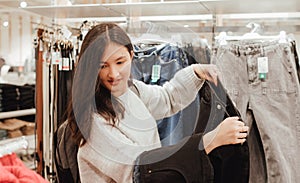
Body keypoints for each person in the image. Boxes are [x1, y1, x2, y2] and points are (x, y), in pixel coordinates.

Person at [66, 23, 249, 183]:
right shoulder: (94, 119)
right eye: (102, 66)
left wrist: (196, 72)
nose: (113, 74)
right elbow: (136, 170)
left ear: (131, 55)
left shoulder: (132, 91)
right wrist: (208, 141)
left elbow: (167, 99)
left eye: (120, 62)